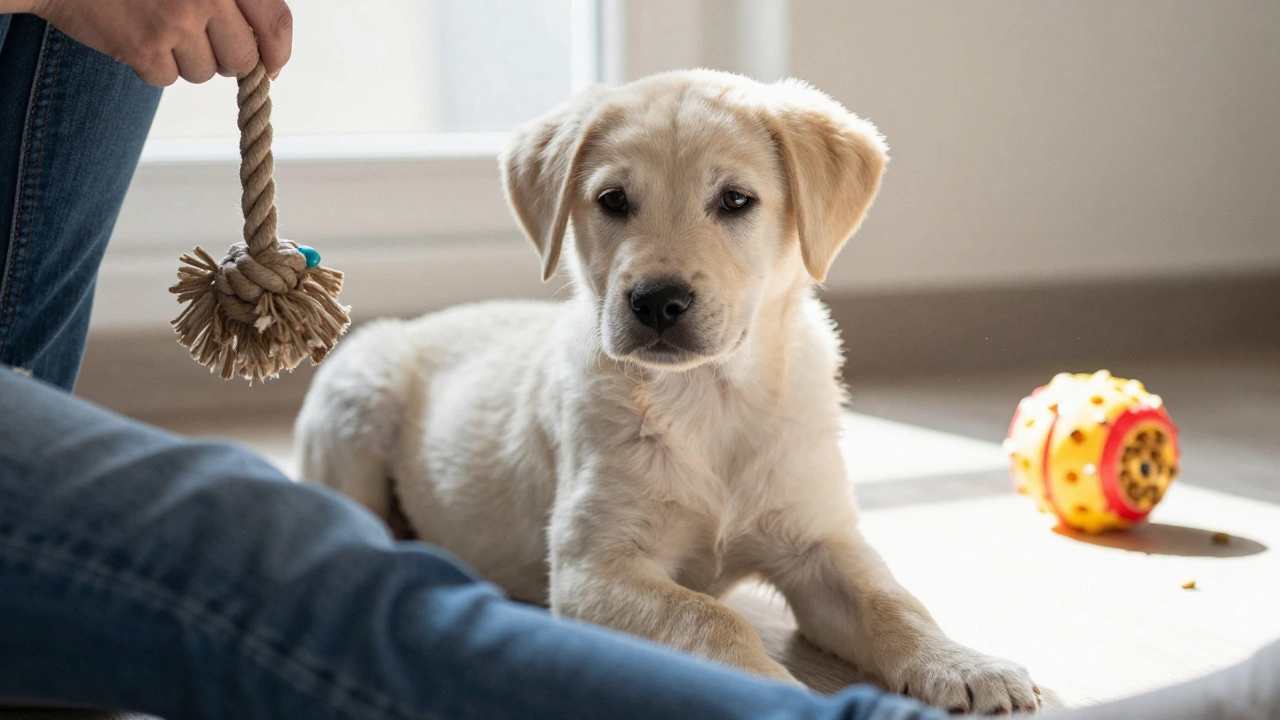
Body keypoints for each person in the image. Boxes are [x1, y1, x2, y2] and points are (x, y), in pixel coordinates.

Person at [1, 3, 1277, 720]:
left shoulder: (795, 383)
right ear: (564, 208)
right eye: (616, 207)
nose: (657, 273)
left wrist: (923, 650)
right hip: (433, 452)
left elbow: (828, 562)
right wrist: (753, 662)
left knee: (835, 561)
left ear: (806, 215)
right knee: (363, 379)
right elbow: (596, 582)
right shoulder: (591, 379)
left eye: (730, 205)